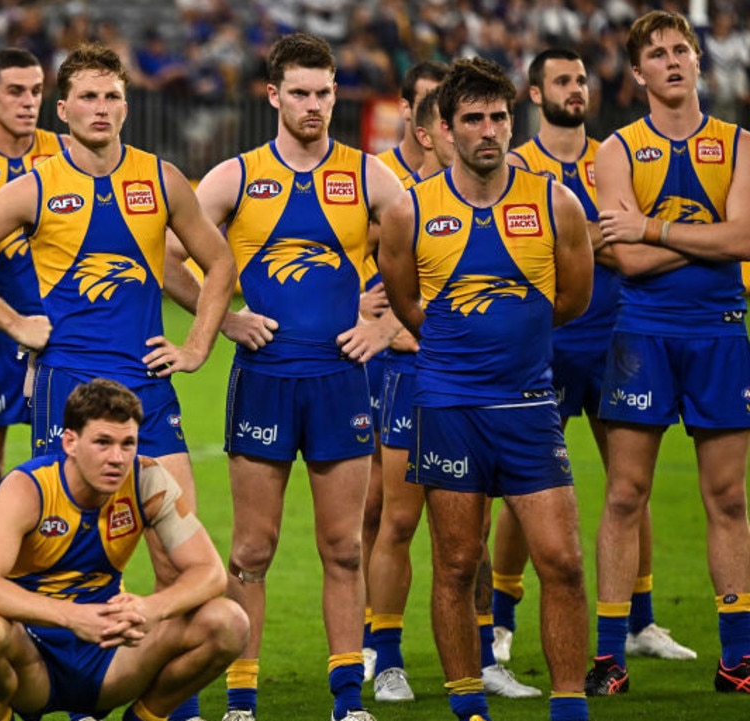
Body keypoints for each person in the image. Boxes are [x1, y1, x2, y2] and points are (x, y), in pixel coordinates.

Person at [0, 42, 235, 721]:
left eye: (113, 95)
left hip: (149, 389)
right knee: (61, 539)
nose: (102, 108)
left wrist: (197, 346)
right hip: (68, 392)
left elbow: (219, 260)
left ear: (128, 104)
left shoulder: (161, 179)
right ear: (62, 111)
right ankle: (60, 676)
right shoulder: (37, 184)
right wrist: (14, 323)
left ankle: (165, 706)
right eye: (88, 97)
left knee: (177, 548)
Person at [164, 31, 405, 721]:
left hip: (339, 380)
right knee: (251, 548)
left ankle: (347, 699)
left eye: (324, 93)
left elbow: (429, 255)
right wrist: (225, 320)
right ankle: (242, 698)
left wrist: (384, 327)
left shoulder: (369, 175)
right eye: (299, 92)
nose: (313, 106)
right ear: (273, 95)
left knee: (341, 547)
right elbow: (165, 254)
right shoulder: (235, 177)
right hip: (264, 379)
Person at [380, 56, 593, 721]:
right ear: (443, 128)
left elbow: (572, 300)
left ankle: (569, 707)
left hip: (529, 406)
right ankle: (468, 706)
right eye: (472, 119)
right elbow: (409, 305)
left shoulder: (554, 200)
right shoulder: (409, 211)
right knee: (456, 562)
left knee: (561, 560)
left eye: (498, 117)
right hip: (447, 407)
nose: (488, 131)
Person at [496, 47, 696, 668]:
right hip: (546, 343)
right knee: (524, 487)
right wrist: (597, 237)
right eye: (561, 80)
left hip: (618, 337)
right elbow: (521, 253)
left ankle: (641, 620)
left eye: (581, 78)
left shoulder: (615, 157)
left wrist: (581, 238)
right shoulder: (514, 164)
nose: (576, 88)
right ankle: (501, 622)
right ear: (535, 95)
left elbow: (628, 241)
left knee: (628, 485)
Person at [585, 10, 750, 696]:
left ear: (699, 61)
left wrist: (652, 227)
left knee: (728, 497)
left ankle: (737, 656)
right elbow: (619, 257)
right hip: (642, 334)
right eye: (658, 52)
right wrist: (701, 233)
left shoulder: (740, 143)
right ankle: (607, 656)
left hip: (720, 330)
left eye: (683, 48)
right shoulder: (617, 150)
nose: (674, 59)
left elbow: (743, 240)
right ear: (638, 73)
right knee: (625, 493)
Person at [0, 377, 249, 721]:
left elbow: (209, 572)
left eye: (128, 443)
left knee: (229, 622)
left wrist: (153, 608)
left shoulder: (147, 480)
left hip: (110, 654)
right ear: (70, 442)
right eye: (103, 443)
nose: (117, 458)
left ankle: (145, 717)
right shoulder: (28, 488)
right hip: (32, 659)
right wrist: (72, 616)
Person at [0, 47, 67, 554]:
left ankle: (72, 596)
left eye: (37, 91)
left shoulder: (68, 151)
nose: (29, 102)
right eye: (16, 91)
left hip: (65, 334)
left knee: (71, 479)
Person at [360, 61, 446, 679]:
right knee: (381, 510)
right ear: (410, 112)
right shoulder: (380, 179)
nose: (440, 119)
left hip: (461, 363)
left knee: (468, 516)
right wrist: (370, 316)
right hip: (384, 359)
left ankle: (486, 642)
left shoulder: (489, 179)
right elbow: (337, 254)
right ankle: (377, 643)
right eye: (431, 106)